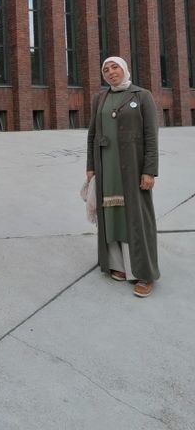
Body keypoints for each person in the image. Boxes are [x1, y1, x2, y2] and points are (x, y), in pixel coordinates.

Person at [86, 56, 159, 298]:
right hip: (106, 166)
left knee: (137, 218)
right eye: (105, 69)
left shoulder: (142, 96)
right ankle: (117, 265)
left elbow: (151, 136)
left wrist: (150, 170)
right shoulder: (101, 98)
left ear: (125, 68)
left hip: (133, 168)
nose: (110, 72)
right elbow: (92, 134)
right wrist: (90, 167)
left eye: (114, 67)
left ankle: (143, 273)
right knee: (111, 214)